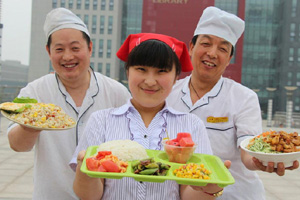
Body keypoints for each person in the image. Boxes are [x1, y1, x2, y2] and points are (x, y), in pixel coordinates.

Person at [71, 33, 225, 199]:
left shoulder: (191, 124)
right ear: (127, 72)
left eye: (161, 71)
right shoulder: (101, 121)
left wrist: (211, 188)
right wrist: (84, 169)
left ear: (176, 77)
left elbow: (190, 195)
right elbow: (89, 196)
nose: (150, 81)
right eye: (141, 69)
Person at [167, 6, 299, 200]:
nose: (212, 53)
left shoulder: (243, 98)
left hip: (234, 195)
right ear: (191, 47)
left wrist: (262, 161)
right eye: (206, 43)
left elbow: (248, 150)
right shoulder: (169, 93)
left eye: (222, 48)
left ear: (229, 59)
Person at [6, 8, 131, 200]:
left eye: (75, 48)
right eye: (59, 49)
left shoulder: (116, 92)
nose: (67, 57)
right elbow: (17, 145)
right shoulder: (35, 92)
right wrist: (31, 125)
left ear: (89, 48)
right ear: (48, 51)